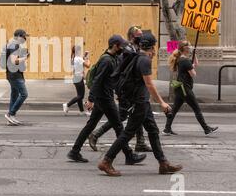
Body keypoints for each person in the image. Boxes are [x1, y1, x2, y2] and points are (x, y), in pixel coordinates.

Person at [98, 32, 183, 177]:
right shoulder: (144, 60)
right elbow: (149, 84)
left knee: (153, 130)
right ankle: (106, 161)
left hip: (142, 102)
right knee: (128, 133)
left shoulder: (138, 56)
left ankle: (163, 163)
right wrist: (162, 103)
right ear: (152, 47)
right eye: (155, 47)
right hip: (139, 102)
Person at [67, 35, 146, 165]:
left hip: (103, 97)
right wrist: (91, 99)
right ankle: (129, 155)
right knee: (119, 126)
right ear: (115, 45)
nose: (123, 48)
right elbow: (98, 80)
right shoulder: (107, 61)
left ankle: (75, 151)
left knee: (91, 125)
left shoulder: (112, 58)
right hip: (104, 98)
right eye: (121, 45)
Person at [88, 26, 152, 152]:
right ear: (133, 37)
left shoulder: (136, 49)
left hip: (133, 90)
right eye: (139, 36)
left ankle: (140, 142)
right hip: (126, 90)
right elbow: (120, 71)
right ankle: (96, 134)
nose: (142, 38)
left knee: (138, 114)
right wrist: (119, 90)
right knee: (121, 117)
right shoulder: (126, 50)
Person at [163, 41, 218, 136]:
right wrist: (191, 68)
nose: (190, 46)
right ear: (185, 48)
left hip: (180, 87)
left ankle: (167, 129)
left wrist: (194, 54)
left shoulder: (182, 59)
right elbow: (193, 74)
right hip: (184, 88)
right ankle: (206, 129)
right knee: (197, 108)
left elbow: (195, 64)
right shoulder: (185, 61)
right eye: (189, 45)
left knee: (175, 109)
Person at [4, 29, 30, 126]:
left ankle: (11, 118)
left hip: (13, 74)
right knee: (24, 94)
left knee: (14, 95)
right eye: (24, 36)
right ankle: (11, 114)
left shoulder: (12, 44)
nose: (25, 38)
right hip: (14, 75)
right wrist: (25, 57)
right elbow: (14, 61)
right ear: (19, 36)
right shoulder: (14, 45)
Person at [63, 45, 91, 116]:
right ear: (78, 51)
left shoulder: (73, 58)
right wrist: (87, 58)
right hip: (79, 78)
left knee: (79, 95)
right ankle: (67, 105)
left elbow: (80, 61)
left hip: (76, 77)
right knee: (80, 96)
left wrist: (84, 56)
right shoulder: (78, 58)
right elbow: (88, 65)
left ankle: (81, 111)